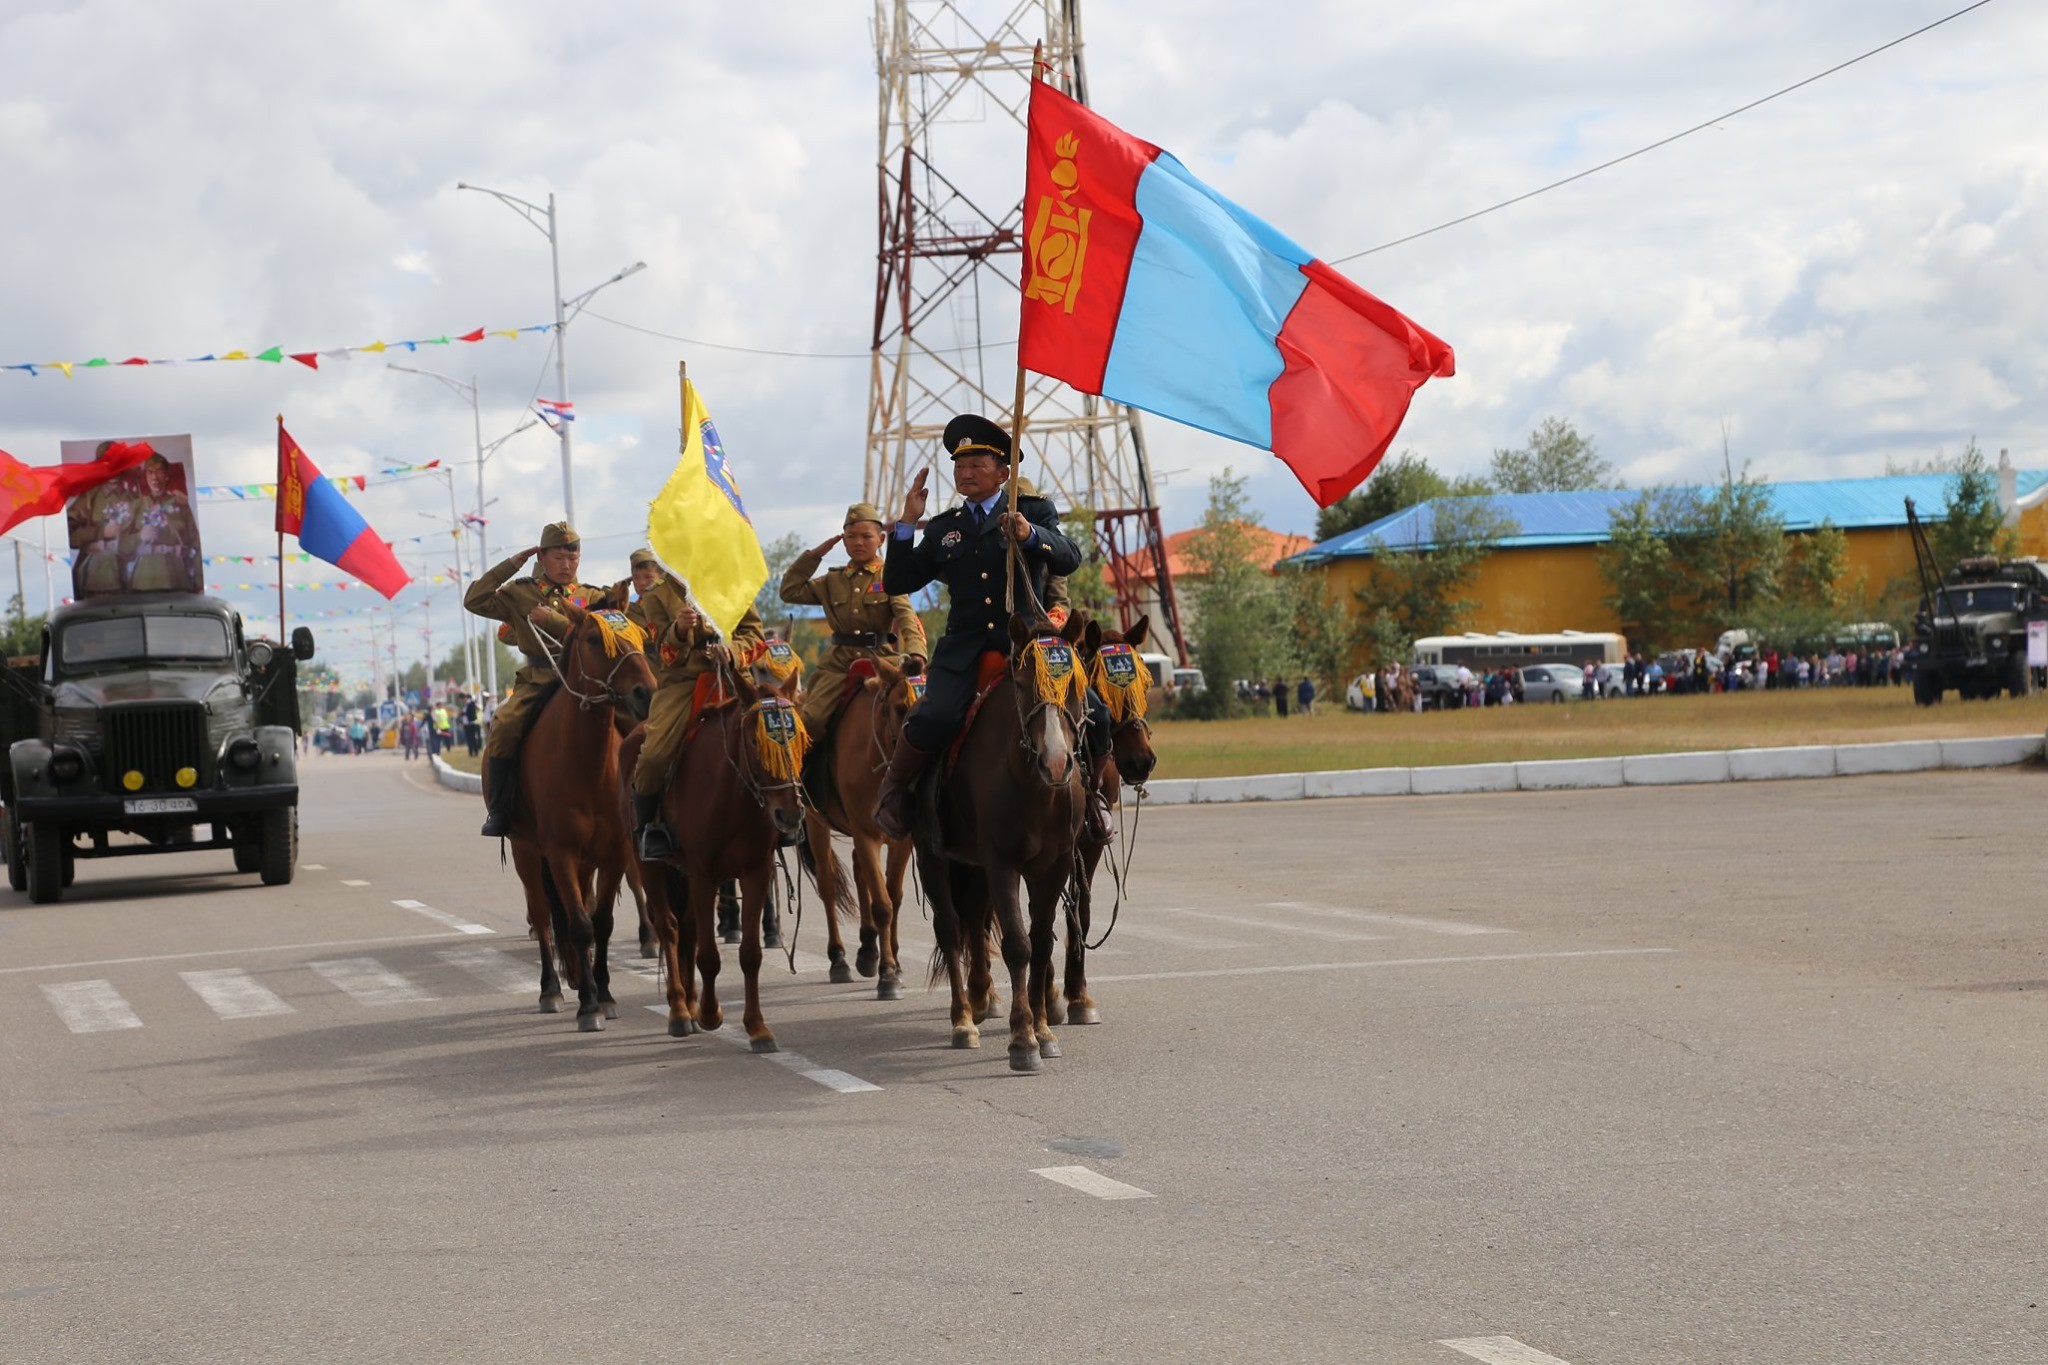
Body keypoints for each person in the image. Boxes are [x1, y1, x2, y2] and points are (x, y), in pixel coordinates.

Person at [872, 413, 1085, 842]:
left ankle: (1095, 798)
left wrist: (1029, 536)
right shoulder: (946, 527)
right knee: (932, 716)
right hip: (965, 645)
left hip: (1028, 641)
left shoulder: (1032, 511)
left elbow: (1070, 556)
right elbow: (898, 581)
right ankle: (895, 791)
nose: (965, 473)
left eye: (977, 465)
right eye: (959, 466)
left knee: (1090, 708)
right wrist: (908, 524)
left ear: (1004, 473)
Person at [463, 522, 622, 838]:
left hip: (587, 680)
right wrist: (510, 565)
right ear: (543, 557)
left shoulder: (595, 596)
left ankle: (642, 809)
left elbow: (610, 636)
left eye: (572, 558)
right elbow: (474, 600)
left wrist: (553, 620)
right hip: (539, 679)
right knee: (505, 725)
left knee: (639, 723)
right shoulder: (521, 592)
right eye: (559, 558)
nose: (566, 565)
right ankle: (500, 808)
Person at [627, 574, 767, 861]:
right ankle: (647, 828)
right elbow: (666, 657)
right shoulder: (657, 594)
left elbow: (757, 638)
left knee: (779, 735)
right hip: (683, 685)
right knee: (654, 755)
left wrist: (733, 652)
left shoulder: (733, 583)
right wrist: (678, 632)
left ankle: (791, 813)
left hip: (734, 679)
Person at [780, 502, 929, 742]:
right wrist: (815, 555)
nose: (858, 542)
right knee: (811, 722)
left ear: (880, 539)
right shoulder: (831, 580)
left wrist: (916, 654)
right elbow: (789, 591)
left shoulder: (889, 576)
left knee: (916, 710)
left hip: (882, 659)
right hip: (837, 665)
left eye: (866, 536)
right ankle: (805, 777)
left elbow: (907, 618)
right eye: (851, 536)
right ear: (844, 540)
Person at [126, 454, 201, 592]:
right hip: (144, 580)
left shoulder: (180, 504)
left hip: (176, 578)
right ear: (146, 477)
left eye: (159, 471)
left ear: (167, 475)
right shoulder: (136, 506)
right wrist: (139, 536)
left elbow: (196, 544)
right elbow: (121, 546)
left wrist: (199, 584)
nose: (154, 477)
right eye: (150, 472)